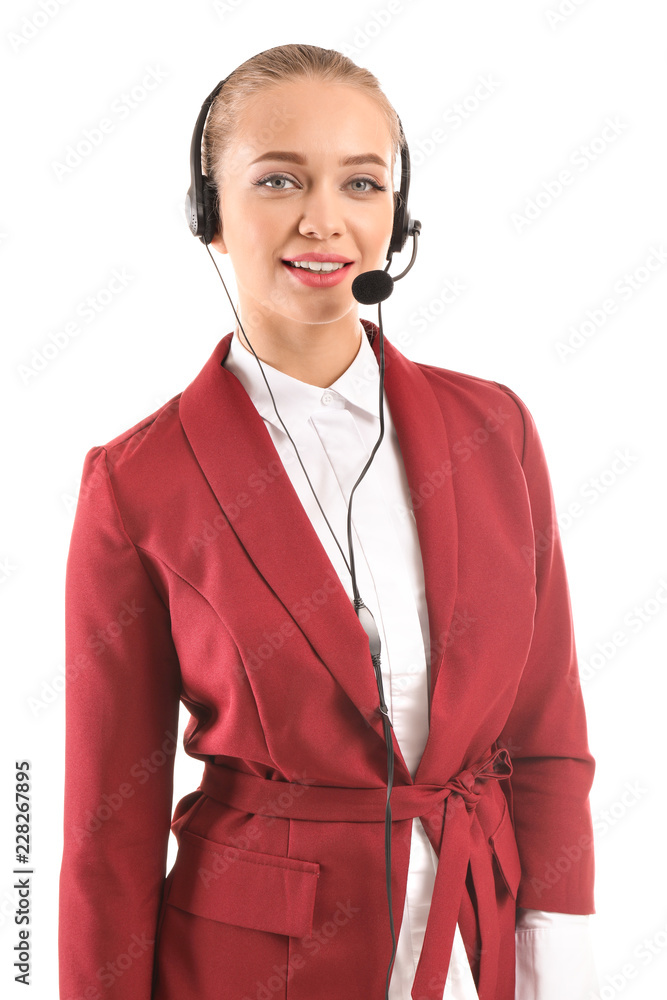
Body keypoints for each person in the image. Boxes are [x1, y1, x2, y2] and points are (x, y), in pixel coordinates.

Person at [58, 43, 600, 1000]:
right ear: (208, 215)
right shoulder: (135, 484)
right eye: (277, 179)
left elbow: (545, 728)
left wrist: (556, 954)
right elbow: (111, 818)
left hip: (475, 945)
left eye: (362, 182)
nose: (326, 219)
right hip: (248, 966)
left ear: (399, 215)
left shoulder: (495, 430)